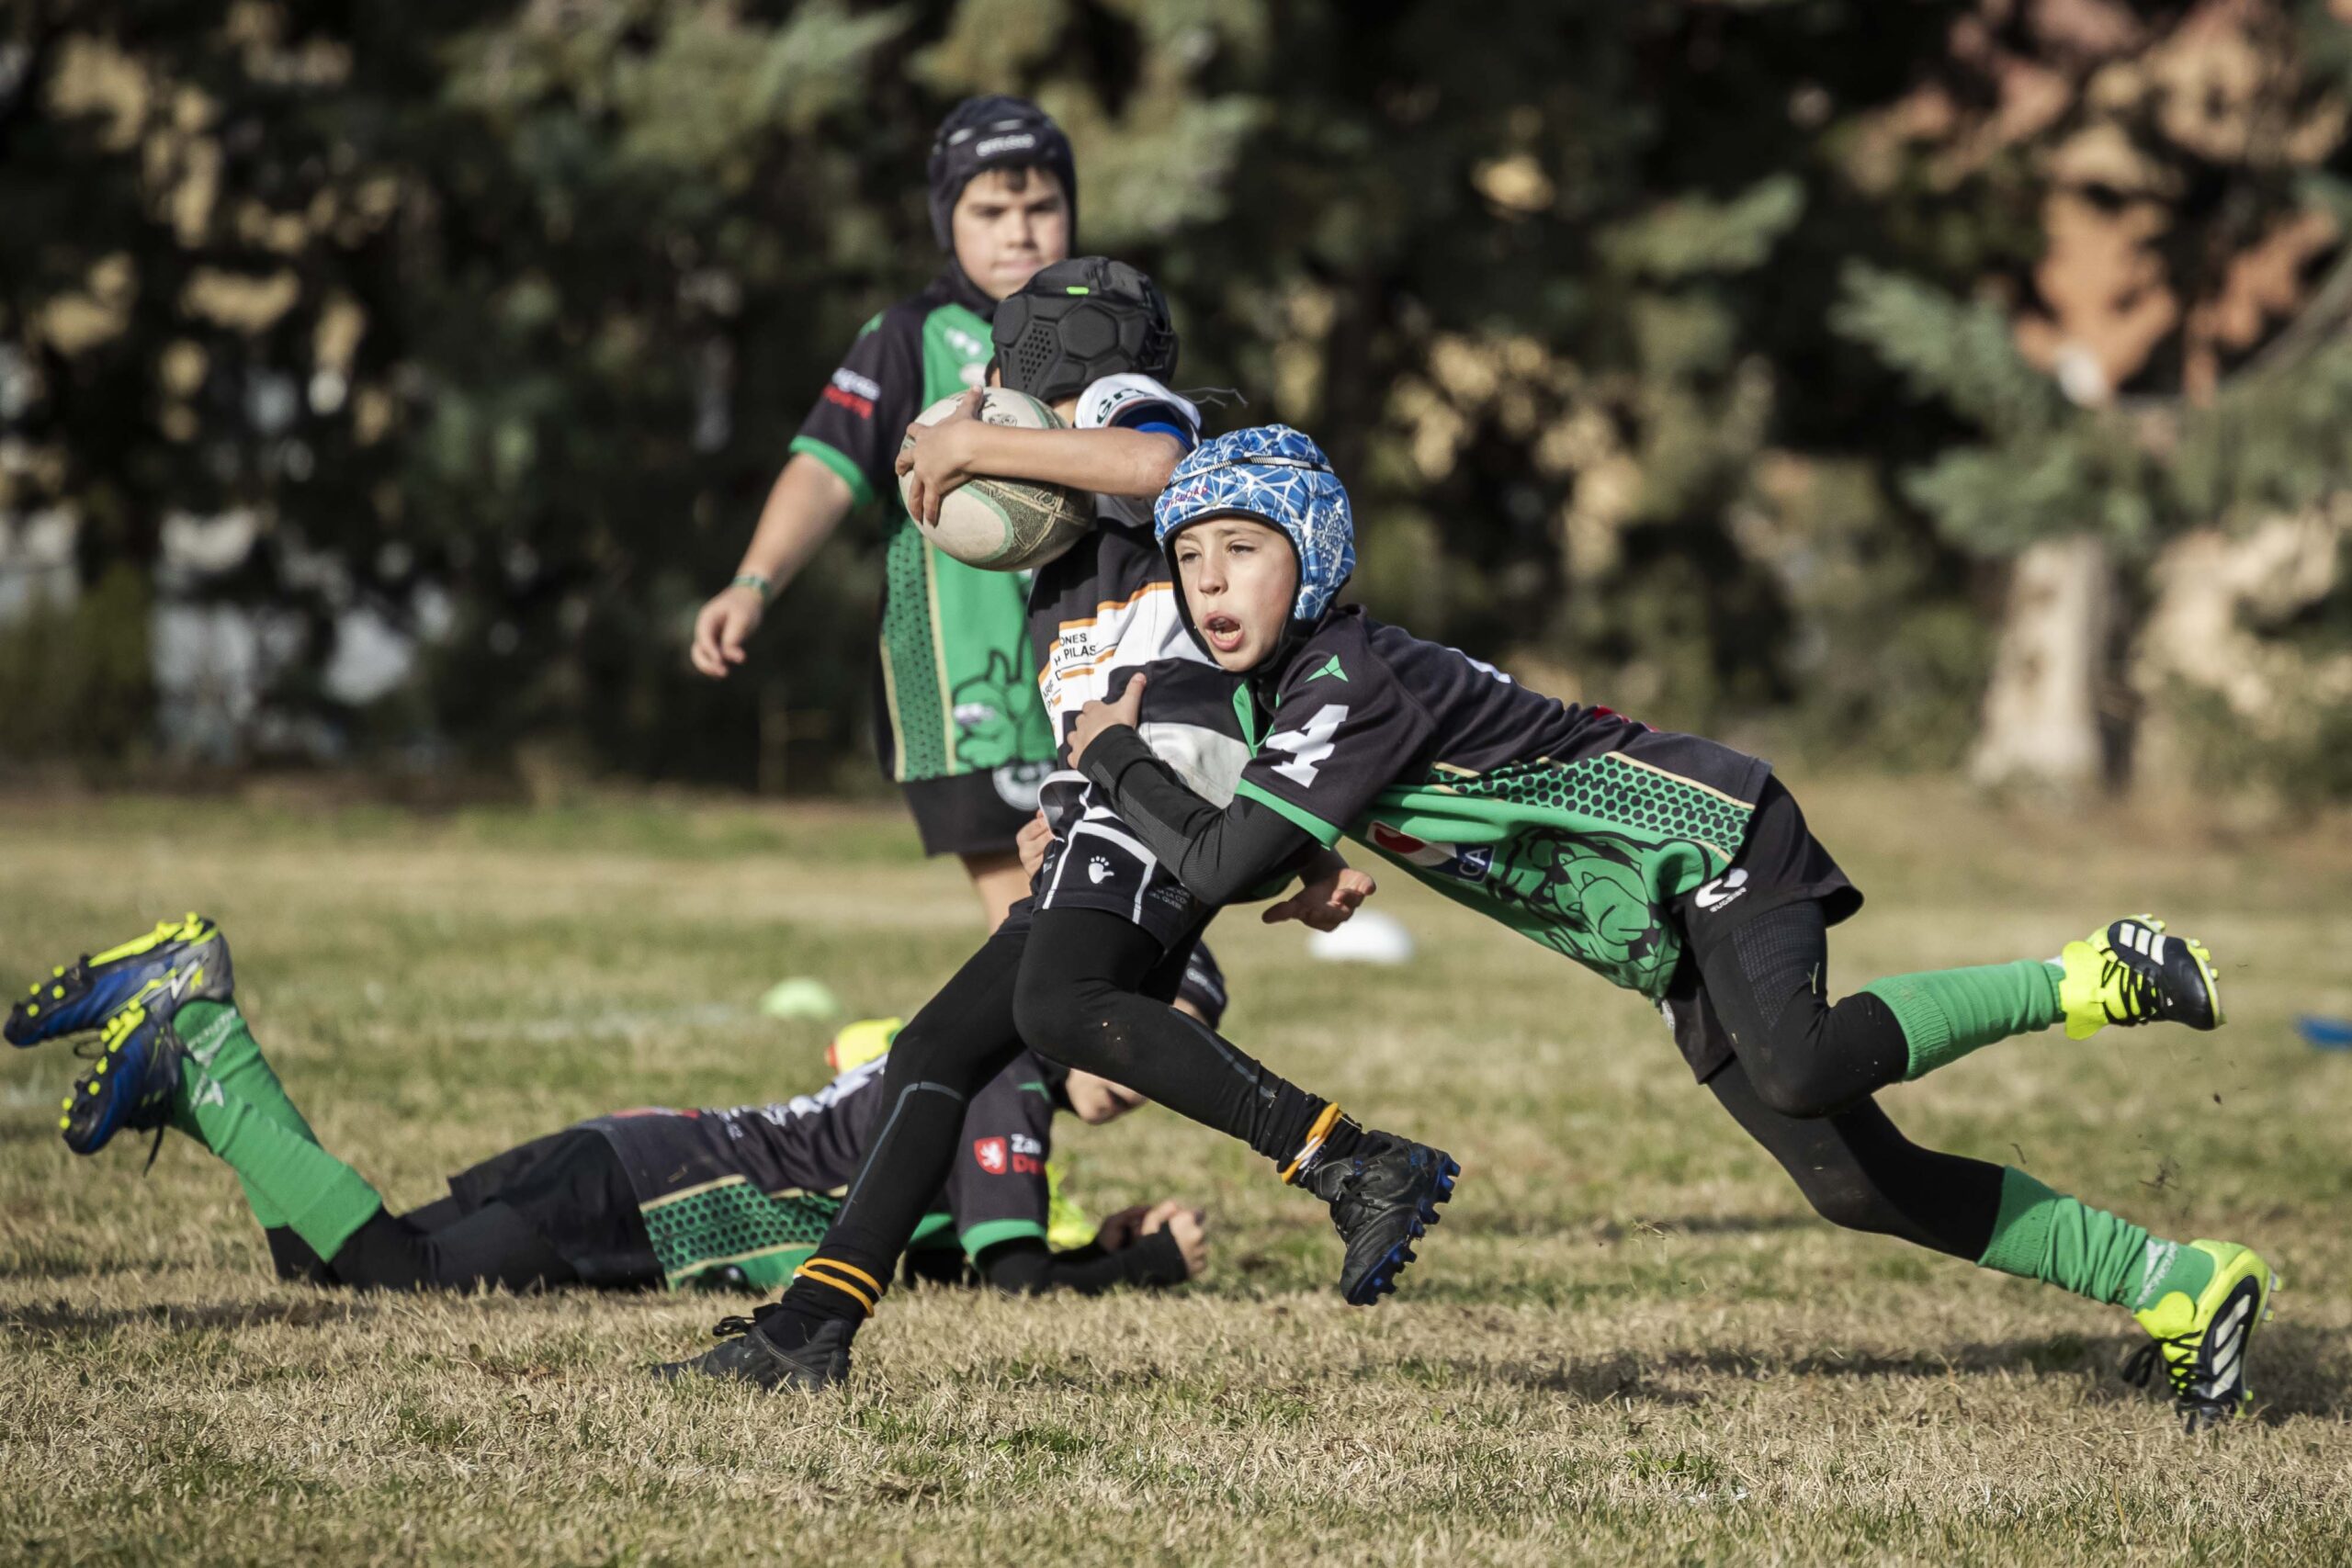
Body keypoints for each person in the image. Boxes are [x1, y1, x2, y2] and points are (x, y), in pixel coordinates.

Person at [1057, 422, 2277, 1435]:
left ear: (1312, 553)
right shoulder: (1291, 685)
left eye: (1242, 548)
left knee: (1799, 1062)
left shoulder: (1344, 674)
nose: (1209, 579)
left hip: (1708, 836)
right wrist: (1317, 855)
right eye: (1191, 557)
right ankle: (2177, 1281)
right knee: (1856, 1182)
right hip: (1658, 919)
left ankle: (2091, 973)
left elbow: (1220, 857)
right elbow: (1312, 808)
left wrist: (1109, 749)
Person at [657, 263, 1458, 1393]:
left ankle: (1350, 1160)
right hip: (1118, 792)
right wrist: (1060, 809)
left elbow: (1160, 466)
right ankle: (809, 1332)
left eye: (987, 384)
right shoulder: (1064, 559)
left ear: (1039, 374)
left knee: (1059, 1005)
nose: (970, 408)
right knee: (934, 1050)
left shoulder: (1123, 414)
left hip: (1172, 767)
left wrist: (978, 446)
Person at [7, 918, 1209, 1298]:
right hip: (664, 1187)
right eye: (1157, 1033)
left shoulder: (975, 1050)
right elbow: (1006, 1293)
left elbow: (932, 1245)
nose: (1157, 1069)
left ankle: (192, 1073)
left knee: (318, 1263)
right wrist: (1151, 1264)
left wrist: (1095, 1238)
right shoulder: (1009, 1075)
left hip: (641, 1147)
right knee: (391, 1277)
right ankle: (202, 1021)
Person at [689, 95, 1077, 931]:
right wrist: (752, 584)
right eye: (991, 210)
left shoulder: (1103, 331)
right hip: (969, 690)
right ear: (949, 221)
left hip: (1094, 677)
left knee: (1105, 952)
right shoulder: (909, 337)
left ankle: (957, 1065)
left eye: (1042, 206)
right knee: (1060, 942)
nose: (1021, 231)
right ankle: (958, 1065)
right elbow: (825, 471)